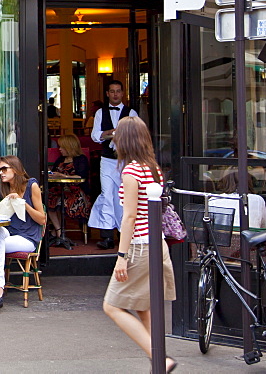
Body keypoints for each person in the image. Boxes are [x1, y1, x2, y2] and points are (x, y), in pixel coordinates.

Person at [101, 116, 177, 372]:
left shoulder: (132, 171)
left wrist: (121, 255)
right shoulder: (152, 167)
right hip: (155, 243)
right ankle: (158, 357)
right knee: (143, 307)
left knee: (111, 306)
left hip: (139, 246)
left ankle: (160, 359)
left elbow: (130, 217)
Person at [0, 155, 46, 311]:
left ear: (15, 169)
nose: (2, 173)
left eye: (4, 169)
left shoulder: (31, 185)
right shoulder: (3, 187)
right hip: (10, 235)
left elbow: (42, 219)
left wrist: (24, 204)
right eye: (0, 169)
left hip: (28, 238)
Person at [89, 80, 138, 250]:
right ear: (107, 94)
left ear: (123, 93)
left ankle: (125, 235)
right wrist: (107, 133)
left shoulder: (131, 112)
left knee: (125, 196)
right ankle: (107, 235)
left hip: (126, 160)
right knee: (107, 194)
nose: (115, 94)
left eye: (118, 91)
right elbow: (95, 136)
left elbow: (137, 135)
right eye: (112, 91)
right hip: (108, 160)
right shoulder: (101, 113)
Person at [47, 134, 92, 241]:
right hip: (59, 189)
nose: (60, 149)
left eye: (62, 147)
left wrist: (64, 176)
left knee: (60, 201)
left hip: (76, 191)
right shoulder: (60, 159)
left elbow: (82, 176)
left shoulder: (81, 159)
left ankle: (57, 232)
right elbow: (54, 171)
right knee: (48, 198)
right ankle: (59, 231)